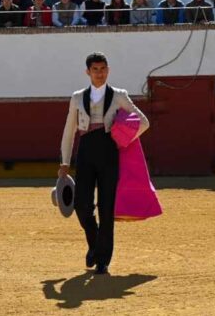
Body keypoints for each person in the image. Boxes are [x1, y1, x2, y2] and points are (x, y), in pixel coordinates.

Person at [59, 52, 149, 275]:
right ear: (87, 72)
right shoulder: (77, 97)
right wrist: (65, 161)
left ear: (108, 70)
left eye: (103, 69)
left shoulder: (119, 95)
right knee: (82, 206)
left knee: (106, 208)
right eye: (95, 70)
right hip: (86, 151)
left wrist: (123, 138)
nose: (99, 73)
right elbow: (69, 131)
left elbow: (144, 122)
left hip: (109, 151)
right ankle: (95, 244)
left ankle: (103, 260)